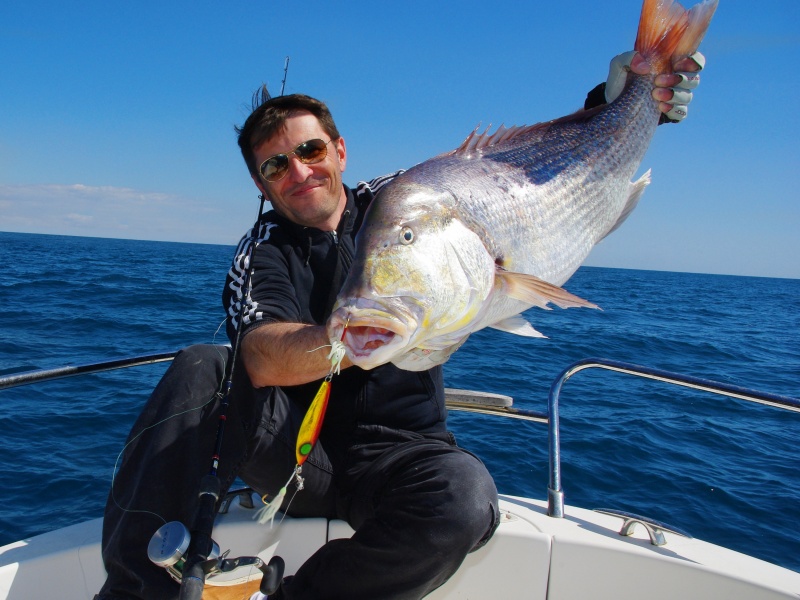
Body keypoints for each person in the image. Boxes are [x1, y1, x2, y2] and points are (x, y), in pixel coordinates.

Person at [95, 50, 705, 600]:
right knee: (203, 365)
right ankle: (132, 590)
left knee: (464, 503)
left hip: (400, 450)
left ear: (339, 151)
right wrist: (347, 340)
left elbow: (516, 179)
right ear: (261, 184)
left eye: (310, 151)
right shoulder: (262, 252)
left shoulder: (404, 199)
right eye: (277, 165)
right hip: (293, 457)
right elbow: (259, 356)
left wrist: (617, 106)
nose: (299, 171)